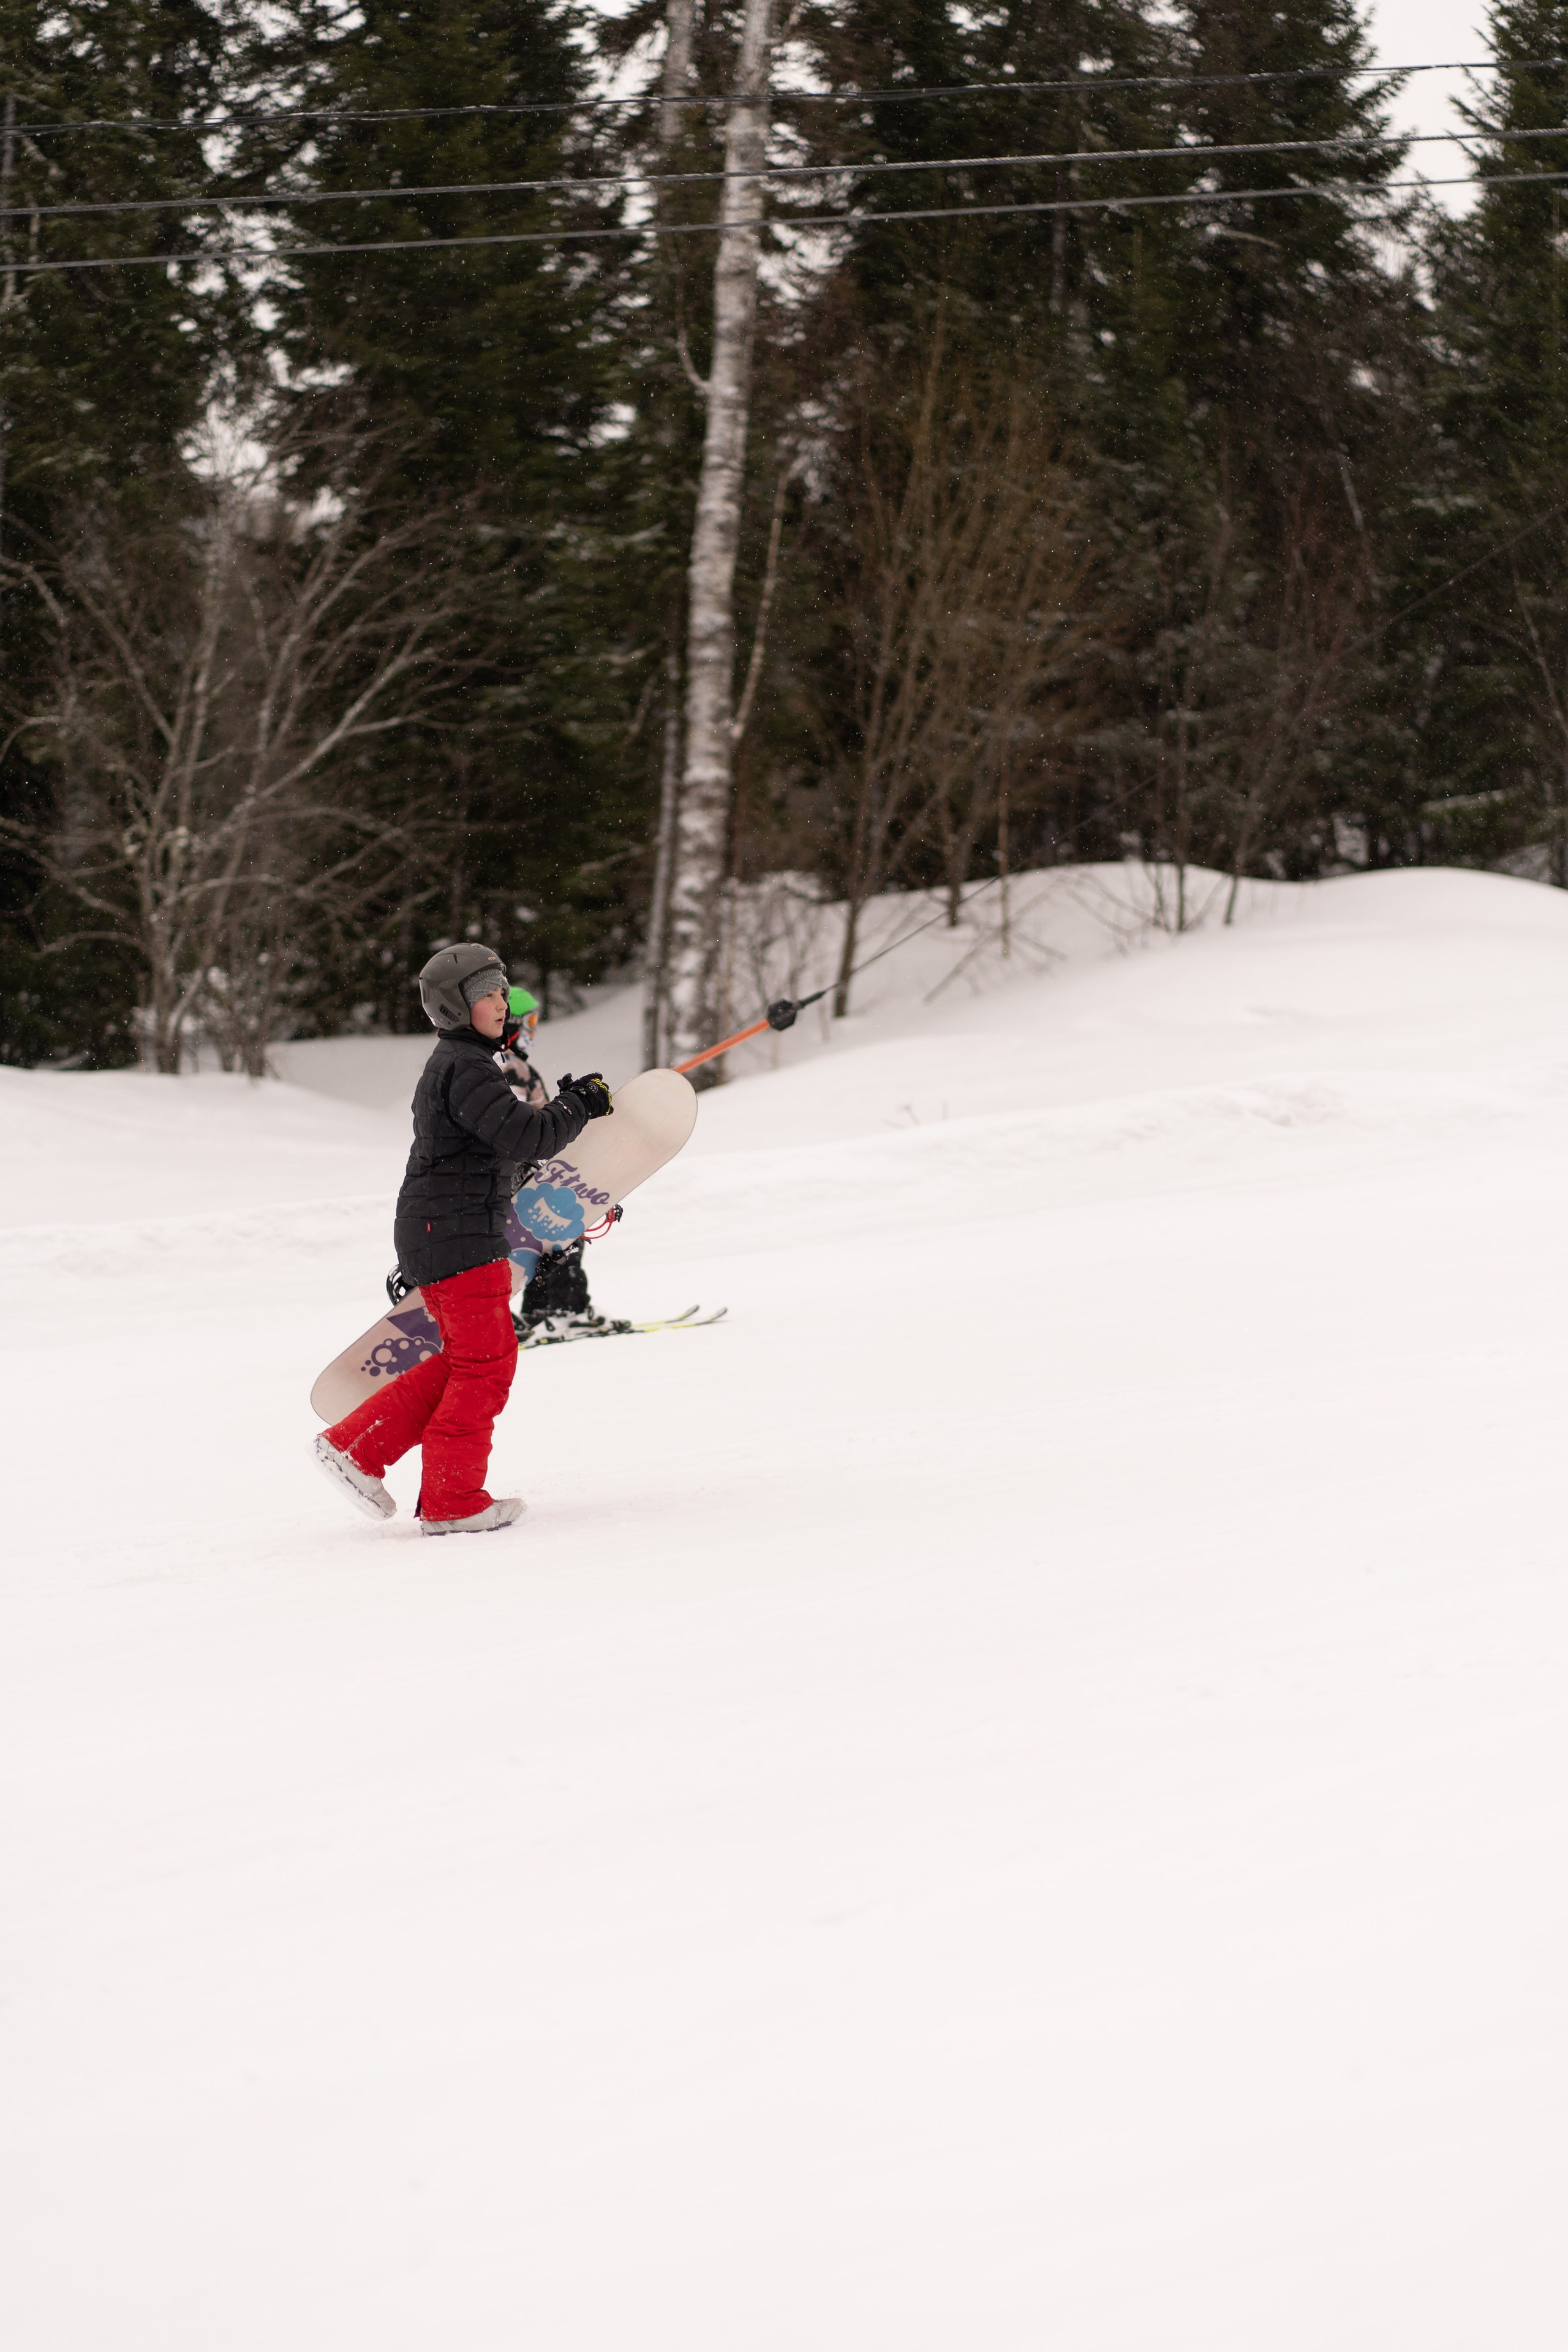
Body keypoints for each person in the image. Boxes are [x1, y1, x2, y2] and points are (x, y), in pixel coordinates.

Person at [313, 944, 613, 1535]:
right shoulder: (465, 1068)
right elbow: (528, 1136)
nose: (502, 1003)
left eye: (503, 990)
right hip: (456, 1237)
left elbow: (501, 1150)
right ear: (456, 1007)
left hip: (444, 1233)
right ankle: (453, 1499)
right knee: (487, 1366)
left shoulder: (464, 1065)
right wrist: (578, 1105)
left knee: (465, 1361)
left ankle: (357, 1449)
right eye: (487, 995)